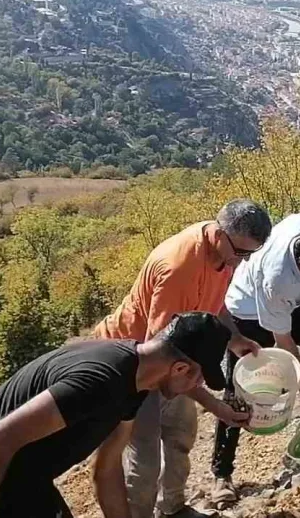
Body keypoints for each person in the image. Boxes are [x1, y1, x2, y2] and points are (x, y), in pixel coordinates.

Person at [0, 312, 239, 518]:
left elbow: (107, 469)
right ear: (180, 367)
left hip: (24, 484)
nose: (196, 386)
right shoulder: (99, 380)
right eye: (198, 378)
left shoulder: (136, 384)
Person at [94, 199, 272, 518]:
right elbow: (165, 361)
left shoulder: (224, 255)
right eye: (242, 253)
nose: (243, 261)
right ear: (219, 235)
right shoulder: (179, 268)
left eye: (251, 254)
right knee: (145, 461)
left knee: (180, 433)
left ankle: (172, 508)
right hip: (133, 365)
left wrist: (234, 339)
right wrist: (216, 405)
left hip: (172, 359)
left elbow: (214, 305)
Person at [210, 212, 300, 507]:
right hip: (247, 314)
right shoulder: (277, 280)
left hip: (289, 304)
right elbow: (284, 342)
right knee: (238, 392)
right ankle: (221, 475)